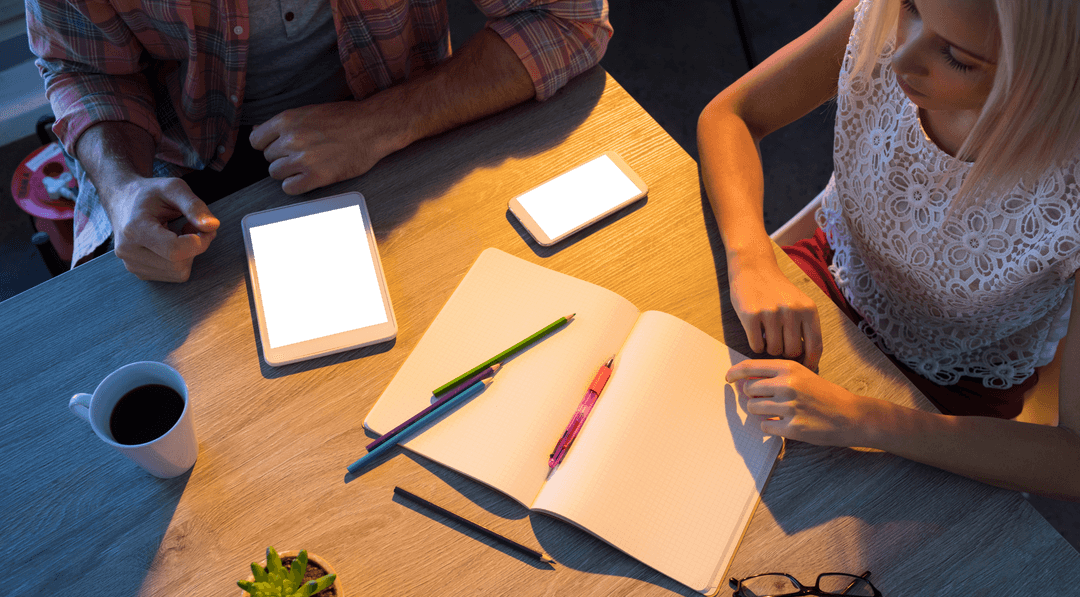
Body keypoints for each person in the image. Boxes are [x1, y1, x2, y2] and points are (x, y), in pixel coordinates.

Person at [697, 0, 1080, 499]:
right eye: (913, 8)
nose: (900, 57)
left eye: (959, 58)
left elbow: (1072, 458)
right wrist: (751, 257)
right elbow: (733, 114)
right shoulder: (880, 14)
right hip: (824, 277)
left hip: (949, 395)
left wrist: (861, 417)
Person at [26, 0, 610, 281]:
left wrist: (383, 122)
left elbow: (569, 20)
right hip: (178, 165)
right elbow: (86, 70)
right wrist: (122, 187)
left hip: (399, 127)